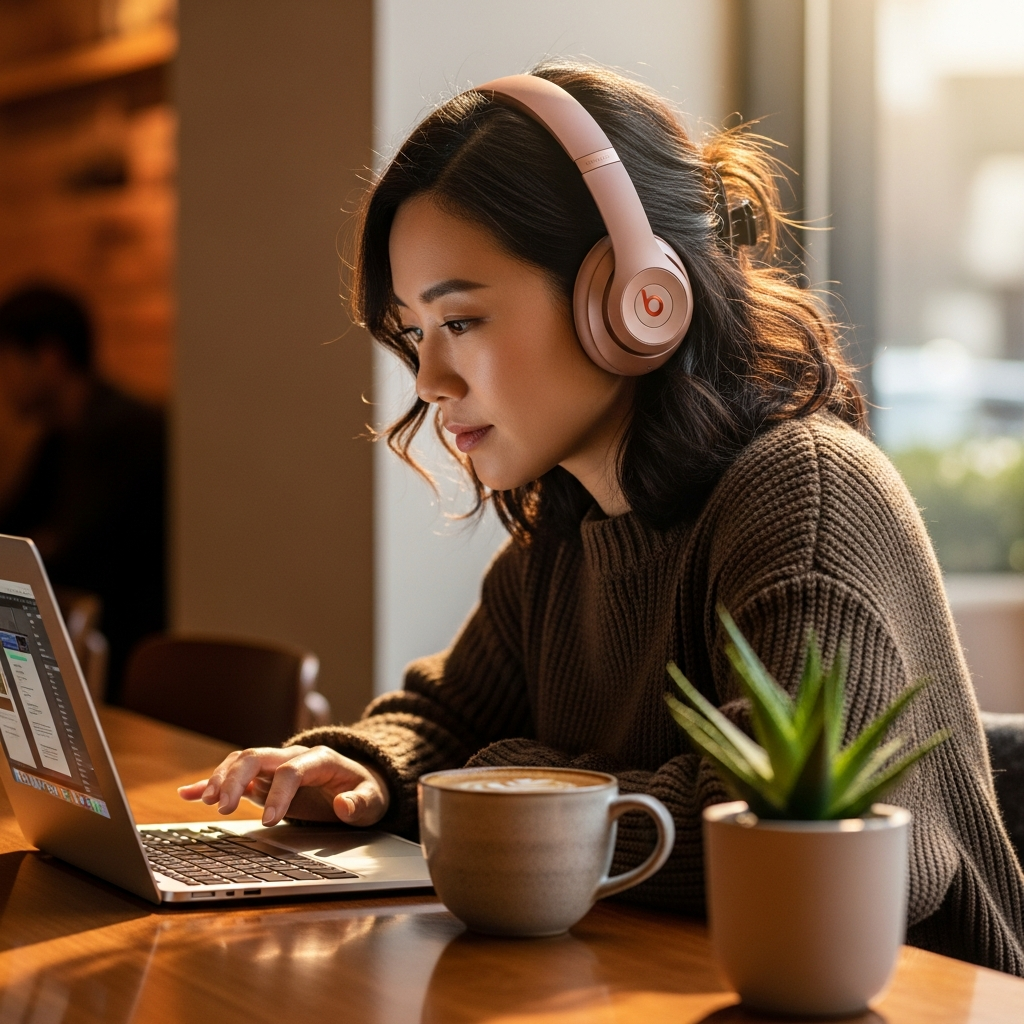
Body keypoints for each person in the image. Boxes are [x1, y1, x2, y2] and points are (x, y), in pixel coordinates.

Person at [179, 63, 1024, 972]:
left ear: (631, 295)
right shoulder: (571, 519)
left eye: (459, 321)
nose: (428, 383)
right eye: (414, 336)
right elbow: (447, 717)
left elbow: (772, 825)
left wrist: (495, 781)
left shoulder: (803, 494)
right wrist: (370, 773)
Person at [0, 284, 166, 699]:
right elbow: (15, 530)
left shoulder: (127, 429)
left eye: (7, 364)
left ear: (49, 357)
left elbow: (65, 547)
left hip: (129, 666)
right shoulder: (59, 437)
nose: (3, 381)